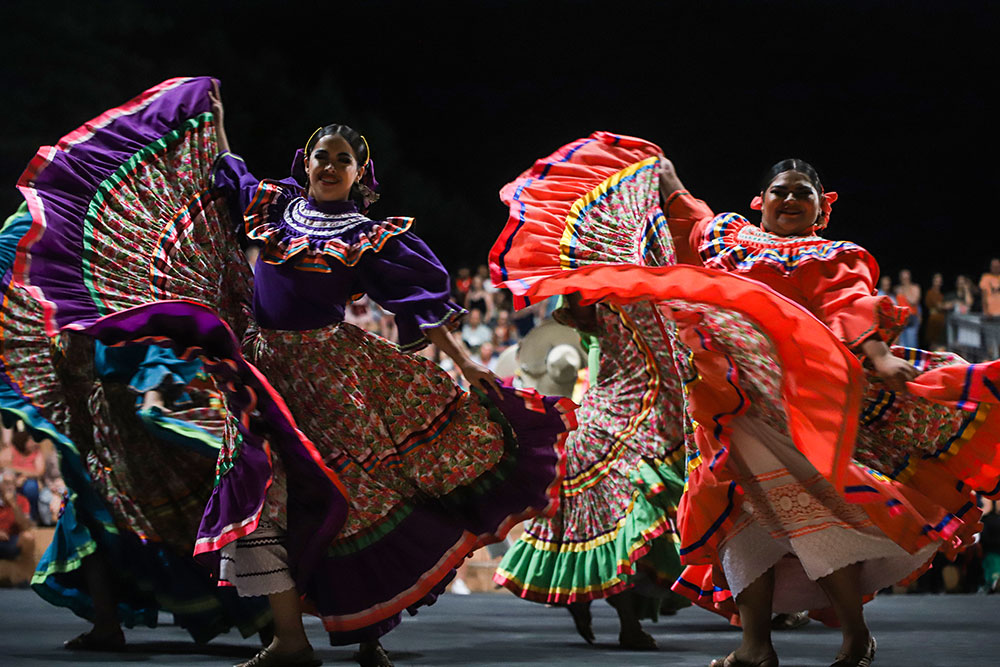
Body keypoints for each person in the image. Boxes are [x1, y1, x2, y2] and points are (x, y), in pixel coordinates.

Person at [14, 77, 574, 667]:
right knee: (260, 491)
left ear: (361, 175)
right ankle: (290, 639)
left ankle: (365, 636)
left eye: (343, 160)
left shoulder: (369, 236)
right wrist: (215, 113)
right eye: (322, 157)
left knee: (354, 496)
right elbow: (226, 166)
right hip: (259, 374)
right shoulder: (273, 206)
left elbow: (423, 307)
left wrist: (466, 364)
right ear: (304, 164)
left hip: (331, 372)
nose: (330, 166)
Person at [491, 132, 1000, 667]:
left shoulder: (831, 255)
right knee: (737, 523)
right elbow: (684, 210)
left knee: (813, 517)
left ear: (821, 208)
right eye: (781, 190)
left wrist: (878, 354)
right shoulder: (726, 238)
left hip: (796, 411)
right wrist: (654, 164)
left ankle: (855, 635)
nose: (790, 200)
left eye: (803, 193)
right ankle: (756, 645)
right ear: (761, 200)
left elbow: (851, 304)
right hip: (721, 407)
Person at [0, 204, 272, 649]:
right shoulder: (57, 316)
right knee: (86, 516)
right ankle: (107, 625)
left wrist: (156, 397)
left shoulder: (122, 290)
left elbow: (167, 343)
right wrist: (81, 446)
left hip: (153, 437)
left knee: (191, 522)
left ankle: (266, 623)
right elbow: (72, 388)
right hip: (106, 437)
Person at [489, 134, 692, 650]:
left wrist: (670, 188)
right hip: (620, 403)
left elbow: (692, 240)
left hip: (664, 400)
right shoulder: (595, 282)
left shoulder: (659, 260)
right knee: (626, 495)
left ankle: (628, 605)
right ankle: (623, 617)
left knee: (657, 498)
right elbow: (571, 312)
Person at [895, 269, 921, 348]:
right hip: (901, 318)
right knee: (902, 345)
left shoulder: (915, 288)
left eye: (906, 278)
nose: (905, 280)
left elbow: (913, 301)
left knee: (911, 344)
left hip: (912, 317)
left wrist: (905, 289)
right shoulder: (897, 289)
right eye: (903, 278)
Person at [980, 258, 1000, 358]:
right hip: (990, 316)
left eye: (997, 266)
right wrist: (986, 311)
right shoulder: (986, 277)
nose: (996, 268)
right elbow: (984, 296)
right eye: (994, 266)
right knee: (990, 345)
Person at [923, 272, 947, 350]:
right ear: (933, 281)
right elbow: (939, 306)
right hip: (934, 321)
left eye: (940, 281)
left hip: (942, 321)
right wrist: (949, 304)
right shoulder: (930, 293)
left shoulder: (941, 295)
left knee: (941, 345)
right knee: (933, 344)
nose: (938, 283)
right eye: (936, 281)